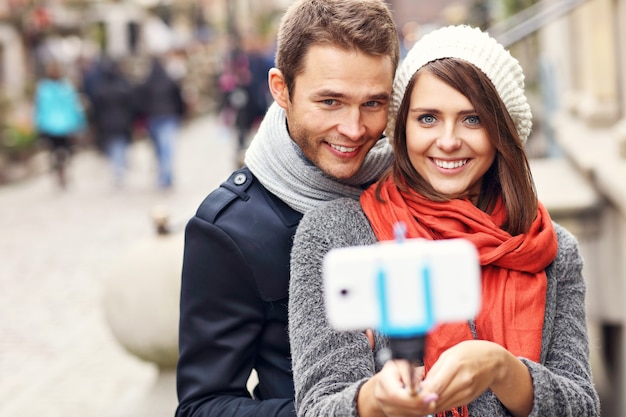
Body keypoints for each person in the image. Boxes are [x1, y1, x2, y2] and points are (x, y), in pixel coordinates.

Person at [288, 25, 601, 417]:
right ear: (401, 128)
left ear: (501, 131)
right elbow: (318, 406)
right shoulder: (336, 236)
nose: (448, 140)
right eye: (428, 118)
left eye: (472, 119)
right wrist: (371, 399)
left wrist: (503, 370)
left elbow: (582, 406)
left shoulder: (551, 248)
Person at [175, 0, 400, 416]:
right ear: (281, 89)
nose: (353, 129)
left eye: (372, 104)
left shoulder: (414, 183)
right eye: (330, 101)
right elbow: (202, 405)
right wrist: (349, 410)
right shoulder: (232, 229)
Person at [34, 60, 86, 188]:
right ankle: (63, 169)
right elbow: (76, 106)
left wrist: (39, 124)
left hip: (50, 125)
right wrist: (81, 123)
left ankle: (59, 169)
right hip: (66, 124)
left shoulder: (44, 88)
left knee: (54, 150)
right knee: (66, 149)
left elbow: (39, 109)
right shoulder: (66, 87)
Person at [136, 56, 186, 189]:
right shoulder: (169, 81)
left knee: (159, 148)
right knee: (167, 147)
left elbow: (141, 103)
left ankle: (164, 175)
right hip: (169, 117)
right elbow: (178, 99)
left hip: (154, 118)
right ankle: (166, 175)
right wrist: (181, 114)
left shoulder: (147, 83)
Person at [90, 58, 137, 187]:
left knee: (114, 144)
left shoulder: (100, 88)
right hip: (121, 121)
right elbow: (131, 104)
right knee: (120, 144)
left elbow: (96, 107)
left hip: (108, 123)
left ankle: (118, 167)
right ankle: (119, 167)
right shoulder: (122, 86)